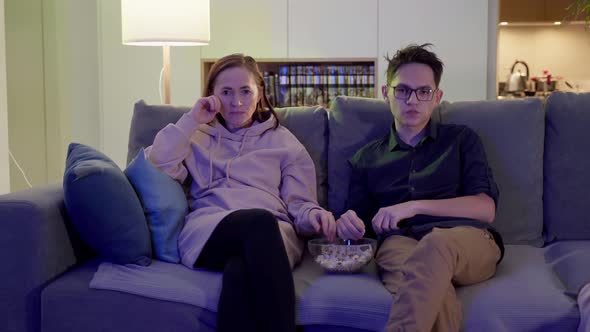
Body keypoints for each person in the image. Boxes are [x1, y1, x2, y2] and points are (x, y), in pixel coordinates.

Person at [145, 53, 336, 332]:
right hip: (210, 231)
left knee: (239, 272)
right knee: (257, 223)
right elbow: (156, 164)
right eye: (226, 92)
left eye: (246, 91)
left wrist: (316, 216)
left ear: (259, 93)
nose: (236, 102)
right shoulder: (196, 137)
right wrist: (191, 120)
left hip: (274, 235)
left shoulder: (284, 142)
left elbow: (301, 204)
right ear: (212, 95)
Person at [335, 44, 504, 332]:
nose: (412, 100)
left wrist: (414, 206)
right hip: (399, 243)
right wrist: (346, 224)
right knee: (432, 295)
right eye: (402, 90)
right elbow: (359, 226)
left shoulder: (462, 140)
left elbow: (485, 209)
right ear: (386, 93)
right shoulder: (366, 158)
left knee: (436, 244)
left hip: (467, 241)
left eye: (423, 91)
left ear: (437, 97)